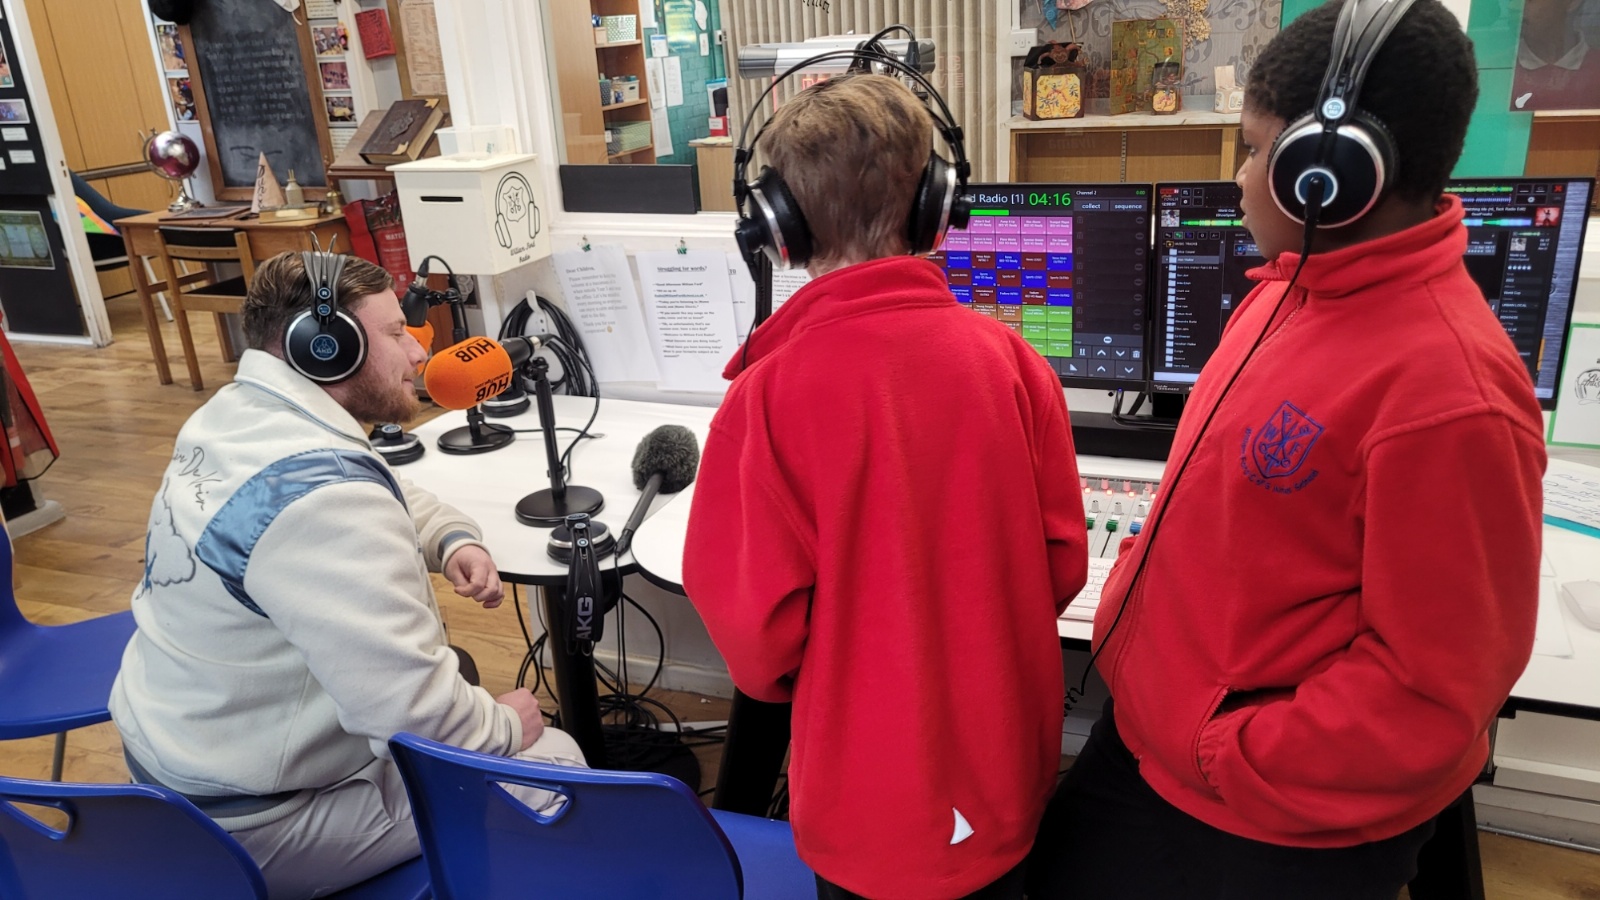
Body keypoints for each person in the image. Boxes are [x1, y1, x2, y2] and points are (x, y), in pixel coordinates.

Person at [1027, 2, 1547, 897]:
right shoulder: (1284, 292)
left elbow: (1432, 692)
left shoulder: (1455, 398)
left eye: (1256, 149)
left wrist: (1224, 750)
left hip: (1262, 816)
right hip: (1155, 747)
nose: (1238, 178)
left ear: (1332, 176)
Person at [682, 74, 1089, 900]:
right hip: (1006, 785)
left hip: (866, 813)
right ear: (936, 206)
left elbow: (758, 646)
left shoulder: (764, 400)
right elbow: (1061, 568)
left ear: (781, 228)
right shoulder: (1016, 366)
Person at [110, 252, 585, 899]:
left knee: (465, 688)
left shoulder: (239, 415)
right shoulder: (326, 504)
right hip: (254, 827)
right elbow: (418, 721)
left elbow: (368, 483)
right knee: (556, 762)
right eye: (394, 333)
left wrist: (447, 535)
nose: (418, 351)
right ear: (326, 347)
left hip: (176, 771)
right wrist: (506, 726)